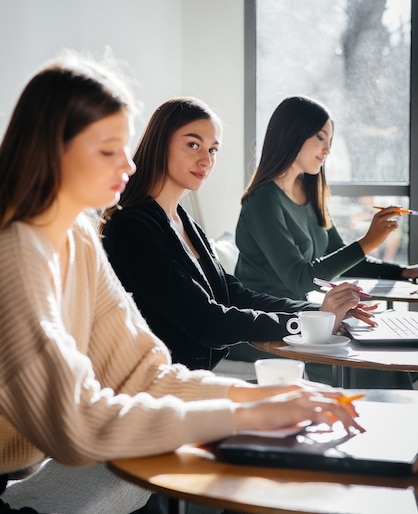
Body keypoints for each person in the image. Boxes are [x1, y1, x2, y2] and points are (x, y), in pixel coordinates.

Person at [0, 55, 363, 514]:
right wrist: (245, 411)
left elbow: (144, 372)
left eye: (124, 147)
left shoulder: (80, 238)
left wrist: (258, 394)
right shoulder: (16, 252)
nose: (127, 166)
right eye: (108, 149)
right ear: (55, 147)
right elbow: (77, 422)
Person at [100, 96, 375, 374]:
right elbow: (207, 322)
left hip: (189, 380)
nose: (205, 160)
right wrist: (306, 323)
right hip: (156, 386)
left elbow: (233, 295)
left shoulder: (185, 223)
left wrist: (318, 313)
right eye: (193, 144)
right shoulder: (132, 227)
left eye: (213, 150)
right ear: (160, 144)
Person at [234, 94, 418, 385]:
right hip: (267, 326)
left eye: (329, 140)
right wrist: (367, 240)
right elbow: (299, 278)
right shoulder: (263, 200)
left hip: (307, 319)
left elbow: (342, 259)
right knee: (371, 361)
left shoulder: (310, 194)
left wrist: (404, 272)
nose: (327, 150)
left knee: (385, 351)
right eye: (320, 138)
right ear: (293, 135)